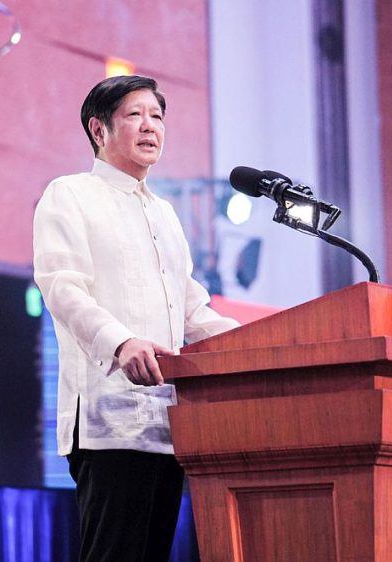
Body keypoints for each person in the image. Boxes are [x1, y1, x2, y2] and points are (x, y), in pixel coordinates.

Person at [33, 75, 239, 561]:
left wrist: (261, 344)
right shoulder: (70, 194)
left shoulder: (165, 214)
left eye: (158, 116)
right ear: (98, 130)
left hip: (167, 423)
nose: (151, 127)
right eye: (135, 115)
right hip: (109, 420)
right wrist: (121, 343)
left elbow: (190, 309)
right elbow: (62, 286)